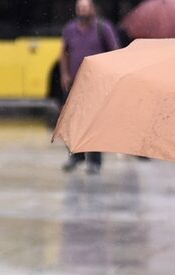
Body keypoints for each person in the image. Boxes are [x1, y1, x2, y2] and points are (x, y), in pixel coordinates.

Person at [59, 0, 119, 175]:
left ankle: (94, 161)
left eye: (85, 8)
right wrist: (64, 73)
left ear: (92, 9)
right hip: (75, 83)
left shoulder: (103, 28)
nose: (82, 11)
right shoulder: (70, 29)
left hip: (96, 83)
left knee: (93, 123)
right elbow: (63, 52)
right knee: (73, 122)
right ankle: (76, 157)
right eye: (79, 8)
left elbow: (114, 51)